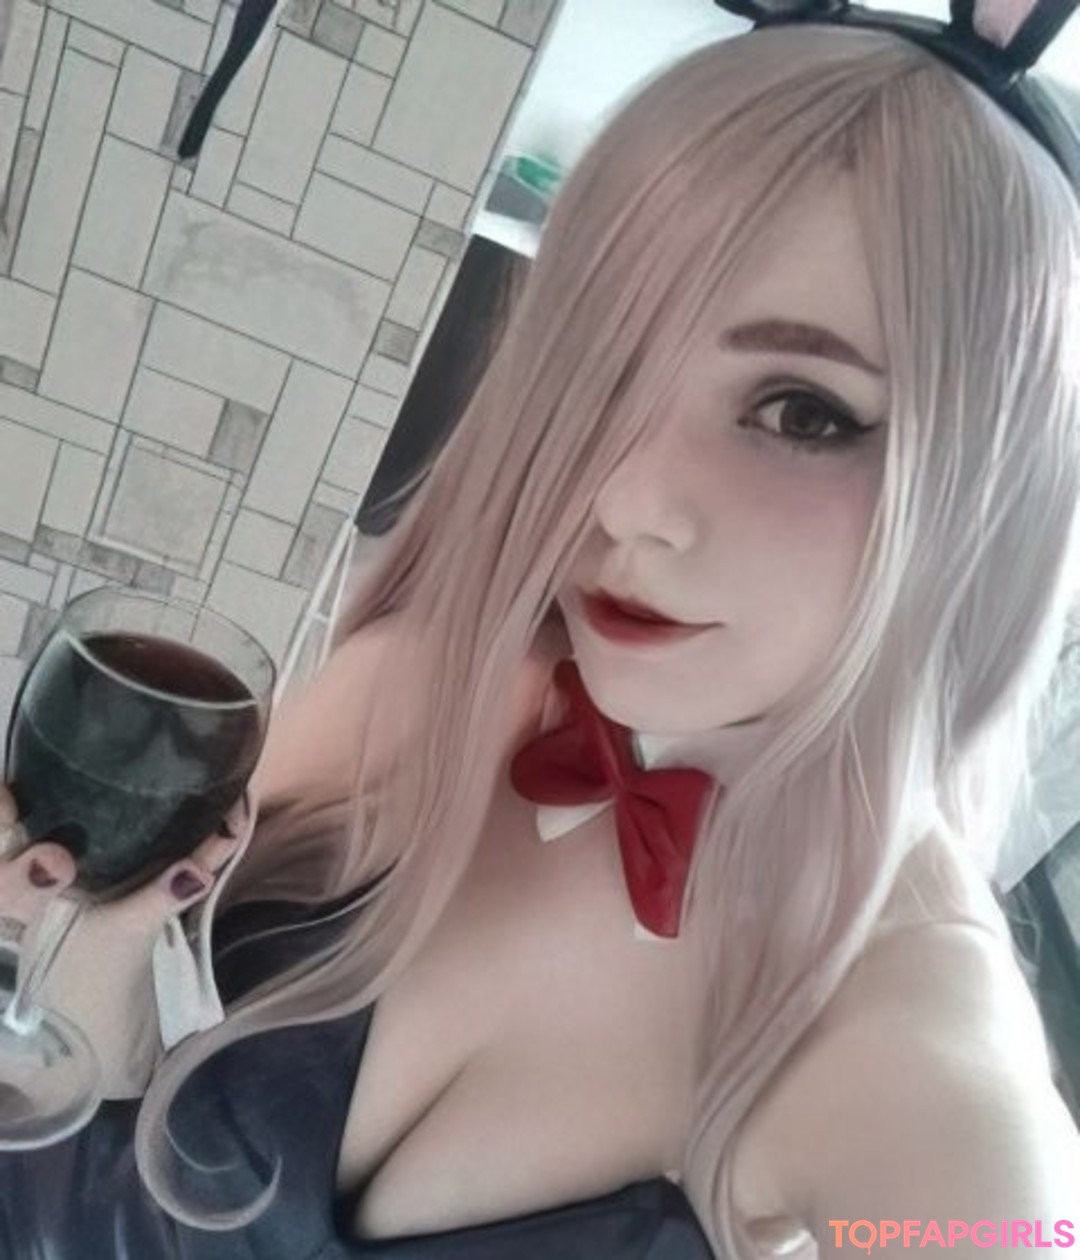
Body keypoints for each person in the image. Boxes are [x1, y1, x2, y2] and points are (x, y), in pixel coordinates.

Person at [1, 17, 1080, 1259]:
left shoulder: (901, 1043)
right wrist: (61, 951)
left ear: (992, 493)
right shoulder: (448, 681)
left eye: (802, 412)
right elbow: (135, 1055)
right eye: (607, 369)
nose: (621, 499)